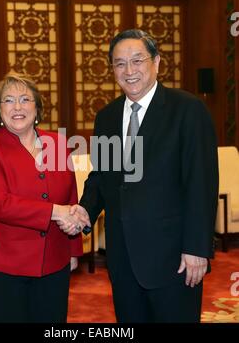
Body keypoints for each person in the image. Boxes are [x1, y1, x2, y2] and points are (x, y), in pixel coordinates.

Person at [75, 29, 219, 322]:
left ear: (156, 62)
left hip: (175, 258)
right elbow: (102, 176)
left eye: (137, 60)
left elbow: (201, 183)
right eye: (119, 63)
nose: (129, 71)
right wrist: (83, 211)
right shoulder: (107, 117)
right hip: (123, 258)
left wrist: (197, 248)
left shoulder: (188, 109)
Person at [0, 71, 90, 323]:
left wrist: (72, 249)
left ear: (37, 108)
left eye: (25, 99)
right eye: (8, 100)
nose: (17, 107)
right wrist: (56, 212)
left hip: (54, 260)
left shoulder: (58, 143)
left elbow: (71, 196)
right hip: (3, 264)